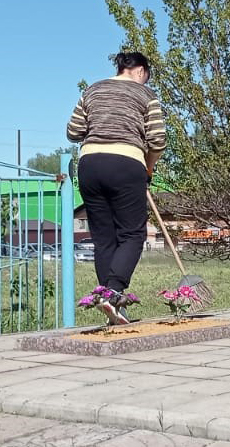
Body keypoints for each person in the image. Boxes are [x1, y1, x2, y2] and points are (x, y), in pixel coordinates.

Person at [66, 51, 166, 325]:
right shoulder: (146, 96)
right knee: (133, 234)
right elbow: (157, 139)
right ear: (141, 71)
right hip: (126, 163)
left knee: (103, 238)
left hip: (89, 164)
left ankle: (111, 303)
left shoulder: (92, 90)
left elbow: (73, 131)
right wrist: (148, 167)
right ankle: (113, 293)